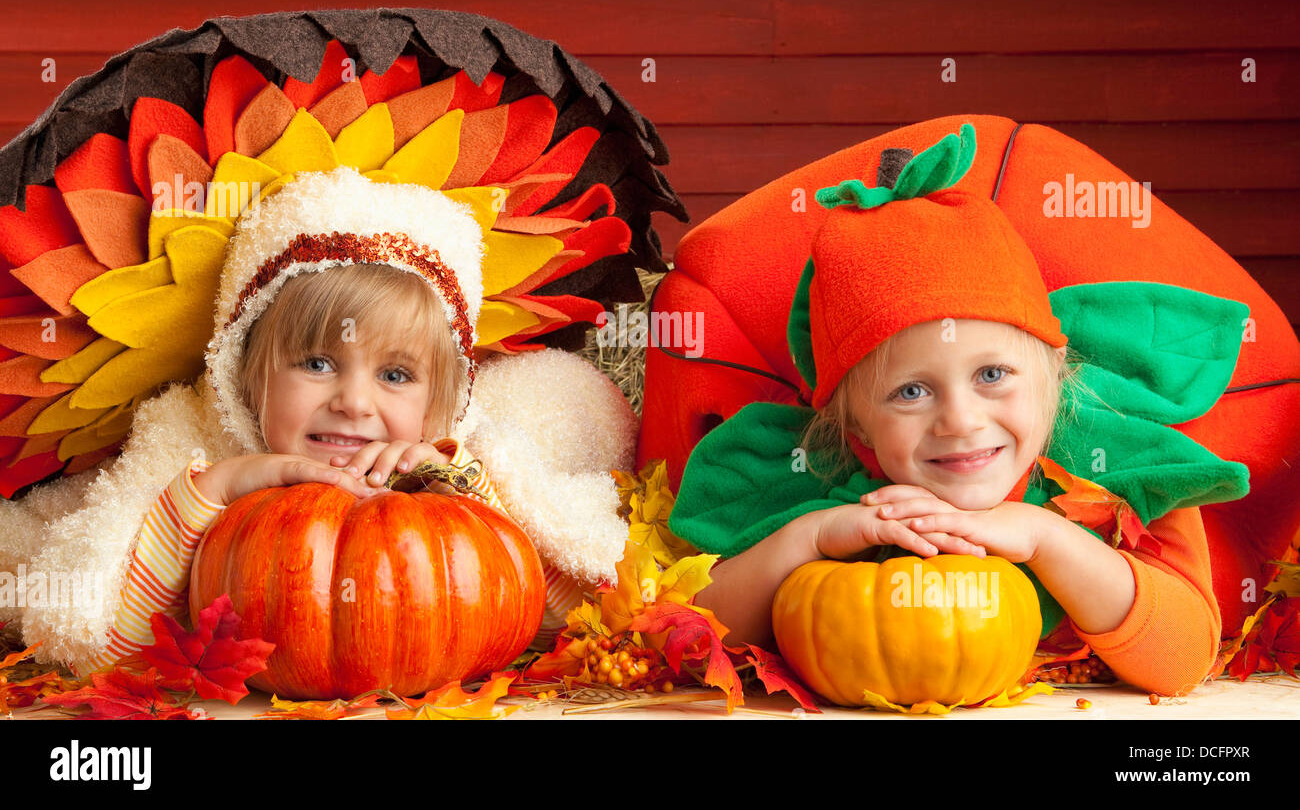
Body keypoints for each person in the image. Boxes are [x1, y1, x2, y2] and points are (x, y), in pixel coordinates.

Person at [668, 124, 1251, 698]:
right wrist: (811, 538)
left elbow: (1183, 661)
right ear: (854, 424)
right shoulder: (823, 482)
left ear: (1054, 375)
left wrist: (1045, 537)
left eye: (992, 375)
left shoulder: (1116, 471)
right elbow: (693, 647)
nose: (961, 421)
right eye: (911, 392)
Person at [6, 165, 636, 677]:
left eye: (395, 375)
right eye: (316, 362)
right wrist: (217, 490)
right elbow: (104, 644)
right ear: (246, 375)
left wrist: (465, 490)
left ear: (440, 400)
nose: (354, 404)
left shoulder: (458, 463)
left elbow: (570, 616)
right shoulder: (195, 449)